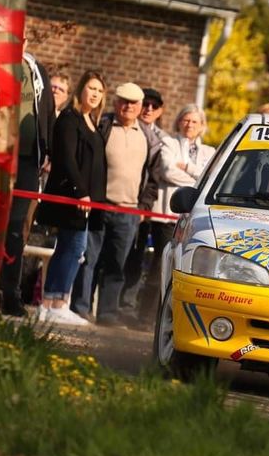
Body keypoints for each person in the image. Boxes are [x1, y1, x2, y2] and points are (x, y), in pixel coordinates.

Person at [70, 82, 163, 326]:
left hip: (128, 211)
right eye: (123, 101)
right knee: (88, 260)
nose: (128, 107)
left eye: (133, 103)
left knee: (116, 265)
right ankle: (80, 309)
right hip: (99, 206)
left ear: (140, 106)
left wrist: (144, 207)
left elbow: (154, 177)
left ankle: (107, 315)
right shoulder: (102, 125)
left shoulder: (149, 138)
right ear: (116, 102)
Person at [124, 104, 216, 330]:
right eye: (186, 119)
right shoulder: (169, 143)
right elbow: (167, 170)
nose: (189, 125)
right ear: (178, 121)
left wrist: (186, 167)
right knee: (159, 265)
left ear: (202, 126)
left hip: (194, 219)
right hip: (166, 214)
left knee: (186, 269)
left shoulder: (210, 152)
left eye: (195, 121)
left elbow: (209, 179)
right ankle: (145, 318)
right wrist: (196, 177)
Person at [35, 71, 107, 325]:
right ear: (80, 90)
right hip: (72, 198)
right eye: (91, 88)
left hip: (88, 203)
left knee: (71, 248)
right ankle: (53, 303)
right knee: (73, 247)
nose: (95, 94)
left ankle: (56, 302)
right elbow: (66, 158)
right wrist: (81, 192)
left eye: (99, 90)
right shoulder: (69, 119)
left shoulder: (92, 121)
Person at [0, 45, 55, 317]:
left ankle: (10, 293)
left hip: (28, 162)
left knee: (16, 229)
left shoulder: (36, 69)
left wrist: (49, 151)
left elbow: (48, 112)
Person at [120, 88, 167, 316]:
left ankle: (127, 305)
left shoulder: (163, 140)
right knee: (114, 255)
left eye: (154, 106)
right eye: (145, 104)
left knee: (137, 257)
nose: (148, 109)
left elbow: (160, 174)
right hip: (119, 200)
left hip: (145, 207)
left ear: (160, 111)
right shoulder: (119, 126)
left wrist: (144, 207)